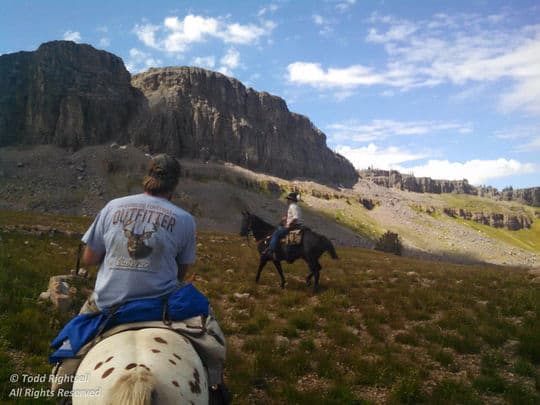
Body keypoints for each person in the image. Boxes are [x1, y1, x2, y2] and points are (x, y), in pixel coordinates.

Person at [79, 153, 194, 313]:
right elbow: (180, 275)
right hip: (158, 308)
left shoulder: (112, 206)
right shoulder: (185, 219)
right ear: (174, 183)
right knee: (206, 322)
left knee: (74, 333)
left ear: (147, 177)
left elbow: (89, 259)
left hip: (107, 305)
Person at [265, 192, 303, 259]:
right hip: (298, 225)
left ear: (291, 200)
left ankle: (271, 250)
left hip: (293, 226)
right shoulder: (297, 206)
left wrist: (289, 224)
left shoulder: (292, 206)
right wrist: (287, 218)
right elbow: (295, 216)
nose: (287, 201)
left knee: (276, 233)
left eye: (288, 199)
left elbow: (295, 218)